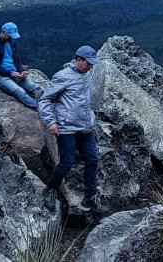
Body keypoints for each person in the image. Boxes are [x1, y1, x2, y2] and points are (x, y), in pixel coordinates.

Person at [39, 45, 108, 213]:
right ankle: (50, 190)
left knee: (92, 159)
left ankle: (90, 198)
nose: (91, 66)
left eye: (92, 63)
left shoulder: (87, 74)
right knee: (67, 162)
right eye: (88, 63)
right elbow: (45, 100)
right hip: (67, 128)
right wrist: (51, 122)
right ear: (78, 60)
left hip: (85, 127)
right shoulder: (63, 76)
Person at [0, 21, 42, 109]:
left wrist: (21, 70)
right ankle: (39, 108)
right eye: (9, 35)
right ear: (3, 32)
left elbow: (16, 59)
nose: (11, 38)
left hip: (15, 72)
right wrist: (10, 73)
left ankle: (47, 100)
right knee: (19, 91)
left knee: (33, 87)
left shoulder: (12, 43)